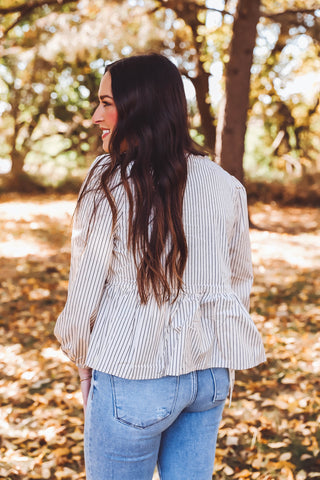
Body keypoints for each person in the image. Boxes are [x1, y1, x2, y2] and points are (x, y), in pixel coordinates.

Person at [54, 53, 265, 480]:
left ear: (141, 105)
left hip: (132, 376)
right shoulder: (226, 185)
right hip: (208, 380)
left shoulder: (108, 179)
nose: (96, 116)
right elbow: (238, 284)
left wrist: (82, 363)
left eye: (107, 102)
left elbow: (84, 294)